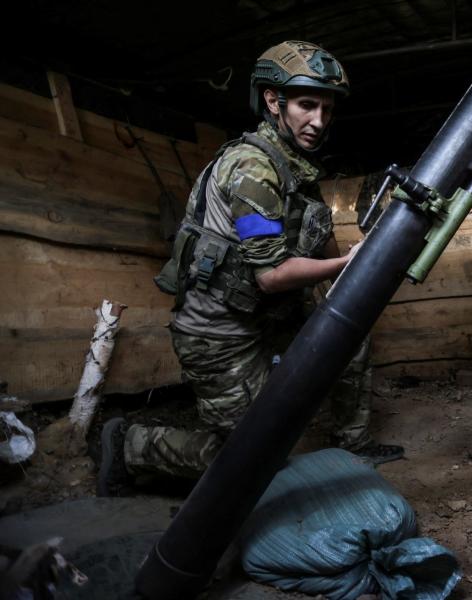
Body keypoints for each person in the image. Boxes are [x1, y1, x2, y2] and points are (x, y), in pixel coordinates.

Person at [98, 41, 403, 496]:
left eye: (327, 108)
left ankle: (352, 445)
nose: (318, 121)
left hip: (268, 316)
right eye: (306, 104)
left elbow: (316, 240)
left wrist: (349, 268)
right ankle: (132, 446)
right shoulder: (252, 168)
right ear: (272, 100)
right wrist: (347, 262)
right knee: (254, 458)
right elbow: (271, 274)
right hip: (220, 334)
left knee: (348, 337)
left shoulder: (295, 168)